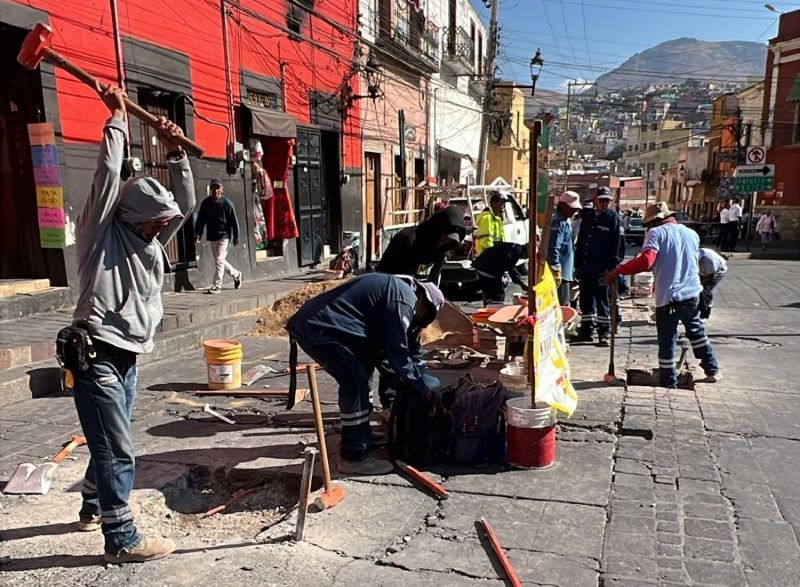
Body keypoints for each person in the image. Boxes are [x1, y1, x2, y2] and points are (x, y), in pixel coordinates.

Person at [70, 86, 195, 563]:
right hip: (97, 351)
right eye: (150, 223)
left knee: (109, 435)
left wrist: (175, 151)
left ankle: (92, 501)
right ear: (130, 216)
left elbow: (183, 202)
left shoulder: (151, 244)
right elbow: (106, 177)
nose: (157, 229)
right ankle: (120, 538)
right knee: (118, 446)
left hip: (129, 355)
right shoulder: (99, 232)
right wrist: (118, 119)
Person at [285, 273, 444, 475]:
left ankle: (361, 437)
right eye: (422, 316)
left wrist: (421, 378)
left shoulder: (399, 293)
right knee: (355, 382)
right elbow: (396, 350)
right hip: (321, 329)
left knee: (363, 375)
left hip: (330, 328)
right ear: (424, 300)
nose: (418, 320)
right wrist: (420, 388)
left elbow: (408, 347)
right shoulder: (403, 297)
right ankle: (354, 457)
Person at [604, 202, 720, 388]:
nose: (647, 228)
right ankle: (712, 370)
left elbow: (646, 261)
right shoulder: (691, 233)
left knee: (667, 340)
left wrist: (618, 270)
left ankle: (669, 382)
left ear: (655, 221)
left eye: (647, 224)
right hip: (692, 292)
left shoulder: (656, 233)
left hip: (669, 296)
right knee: (697, 332)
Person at [572, 187, 625, 346]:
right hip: (587, 268)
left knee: (603, 302)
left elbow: (618, 247)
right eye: (601, 200)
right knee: (586, 302)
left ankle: (604, 333)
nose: (604, 204)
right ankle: (586, 331)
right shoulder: (587, 217)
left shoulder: (614, 219)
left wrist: (611, 268)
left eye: (607, 201)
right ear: (595, 200)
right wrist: (578, 265)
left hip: (603, 270)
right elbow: (581, 242)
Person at [377, 205, 465, 281]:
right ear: (436, 229)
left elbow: (432, 282)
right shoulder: (407, 240)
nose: (444, 241)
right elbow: (390, 275)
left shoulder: (440, 250)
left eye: (449, 240)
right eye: (444, 236)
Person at [195, 178, 242, 293]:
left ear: (222, 190)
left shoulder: (227, 205)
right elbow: (201, 219)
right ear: (210, 190)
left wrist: (236, 237)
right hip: (212, 236)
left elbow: (234, 222)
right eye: (213, 188)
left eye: (218, 188)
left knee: (220, 260)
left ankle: (217, 285)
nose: (216, 190)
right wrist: (198, 233)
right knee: (219, 261)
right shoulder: (206, 204)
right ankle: (236, 274)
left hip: (224, 237)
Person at [547, 191, 582, 306]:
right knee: (562, 305)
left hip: (566, 272)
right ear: (562, 205)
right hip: (560, 273)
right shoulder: (559, 222)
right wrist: (555, 267)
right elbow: (554, 246)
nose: (574, 211)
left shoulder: (566, 221)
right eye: (571, 208)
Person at [697, 248, 727, 319]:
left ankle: (706, 311)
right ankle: (698, 308)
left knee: (706, 289)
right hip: (703, 271)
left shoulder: (708, 261)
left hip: (718, 271)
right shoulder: (693, 255)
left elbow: (710, 277)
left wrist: (701, 286)